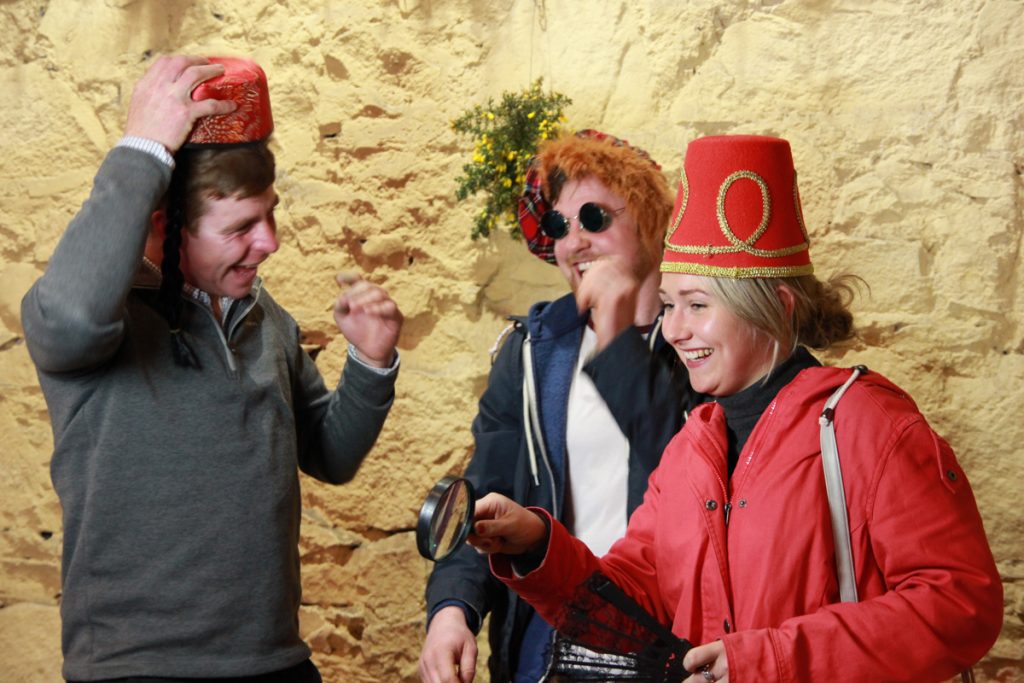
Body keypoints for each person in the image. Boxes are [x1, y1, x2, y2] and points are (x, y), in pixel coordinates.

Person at [465, 135, 1004, 682]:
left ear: (775, 308)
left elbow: (961, 604)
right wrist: (538, 545)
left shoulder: (869, 425)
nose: (674, 330)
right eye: (671, 305)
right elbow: (632, 607)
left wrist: (768, 661)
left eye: (698, 305)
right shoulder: (692, 446)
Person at [20, 55, 403, 682]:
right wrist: (142, 148)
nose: (271, 241)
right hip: (136, 670)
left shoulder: (265, 318)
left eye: (271, 213)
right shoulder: (94, 317)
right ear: (163, 227)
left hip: (276, 664)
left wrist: (371, 360)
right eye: (242, 226)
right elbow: (70, 320)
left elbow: (330, 454)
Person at [420, 130, 707, 683]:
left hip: (665, 641)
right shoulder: (533, 351)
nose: (574, 242)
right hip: (551, 642)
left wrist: (618, 335)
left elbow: (690, 466)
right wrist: (452, 609)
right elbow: (485, 492)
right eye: (558, 226)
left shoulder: (699, 339)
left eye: (595, 218)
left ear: (649, 218)